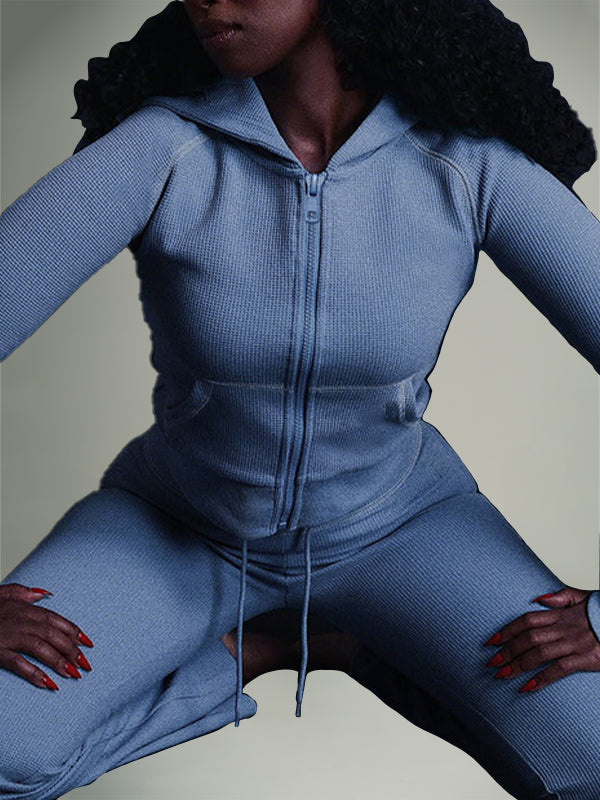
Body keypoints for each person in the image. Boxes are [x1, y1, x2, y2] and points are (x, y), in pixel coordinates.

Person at [1, 0, 599, 798]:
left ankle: (369, 644)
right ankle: (251, 652)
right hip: (179, 526)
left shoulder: (465, 164)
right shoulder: (164, 147)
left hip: (401, 527)